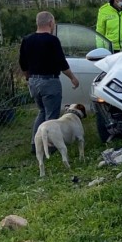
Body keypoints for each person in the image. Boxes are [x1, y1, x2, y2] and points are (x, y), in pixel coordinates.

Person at [19, 11, 79, 154]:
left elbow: (22, 62)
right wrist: (72, 77)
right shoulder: (52, 40)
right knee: (51, 116)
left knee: (42, 112)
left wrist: (29, 78)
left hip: (34, 81)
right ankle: (50, 146)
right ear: (51, 23)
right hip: (50, 81)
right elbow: (61, 62)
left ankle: (35, 143)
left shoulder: (27, 40)